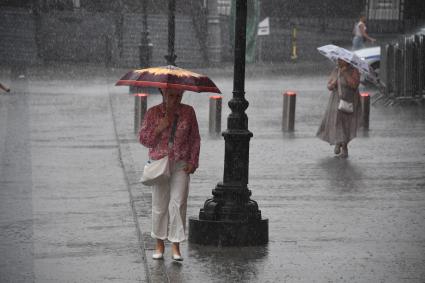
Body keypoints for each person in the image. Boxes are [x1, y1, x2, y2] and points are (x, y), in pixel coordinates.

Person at [139, 88, 200, 261]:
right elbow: (144, 139)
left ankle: (176, 245)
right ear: (164, 94)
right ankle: (159, 243)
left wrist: (193, 162)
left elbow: (195, 138)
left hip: (180, 164)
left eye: (179, 95)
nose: (175, 99)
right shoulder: (153, 112)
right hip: (160, 163)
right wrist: (159, 127)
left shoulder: (188, 112)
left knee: (178, 203)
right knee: (159, 204)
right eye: (171, 95)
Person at [316, 59, 361, 158]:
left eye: (340, 60)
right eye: (338, 60)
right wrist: (332, 84)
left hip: (349, 100)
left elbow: (354, 85)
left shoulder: (354, 70)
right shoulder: (336, 70)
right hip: (336, 100)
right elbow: (329, 85)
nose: (338, 62)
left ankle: (344, 147)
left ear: (347, 61)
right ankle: (338, 142)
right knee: (336, 121)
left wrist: (345, 73)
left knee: (346, 124)